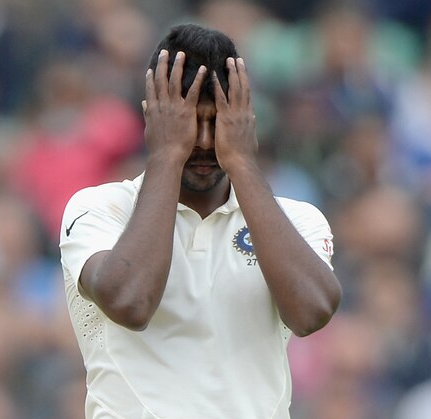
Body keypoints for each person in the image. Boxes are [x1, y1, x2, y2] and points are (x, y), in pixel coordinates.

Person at [59, 23, 342, 419]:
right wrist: (166, 155)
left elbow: (311, 314)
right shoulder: (99, 208)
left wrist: (242, 162)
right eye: (190, 121)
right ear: (154, 117)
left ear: (245, 119)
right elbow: (130, 302)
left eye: (219, 121)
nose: (206, 140)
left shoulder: (297, 219)